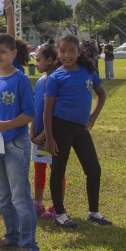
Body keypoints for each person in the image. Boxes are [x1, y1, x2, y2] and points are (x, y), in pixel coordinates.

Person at [44, 35, 111, 227]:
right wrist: (49, 137)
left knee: (94, 169)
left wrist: (93, 116)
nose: (67, 55)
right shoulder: (56, 76)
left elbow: (101, 94)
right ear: (58, 53)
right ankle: (60, 214)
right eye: (63, 51)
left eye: (71, 51)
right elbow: (47, 110)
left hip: (81, 128)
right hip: (60, 127)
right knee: (58, 170)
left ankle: (94, 212)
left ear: (78, 52)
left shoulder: (88, 71)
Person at [0, 33, 38, 251]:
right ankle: (12, 236)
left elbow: (30, 113)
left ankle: (29, 246)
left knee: (19, 197)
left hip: (15, 144)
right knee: (3, 197)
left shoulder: (20, 80)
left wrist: (6, 124)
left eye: (2, 52)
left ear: (13, 54)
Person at [29, 44, 66, 220]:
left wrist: (44, 135)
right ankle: (37, 203)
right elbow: (36, 108)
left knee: (56, 169)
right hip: (38, 135)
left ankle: (58, 205)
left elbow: (54, 111)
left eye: (38, 60)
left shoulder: (57, 80)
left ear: (50, 60)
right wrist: (32, 128)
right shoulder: (41, 81)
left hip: (52, 135)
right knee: (39, 166)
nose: (35, 64)